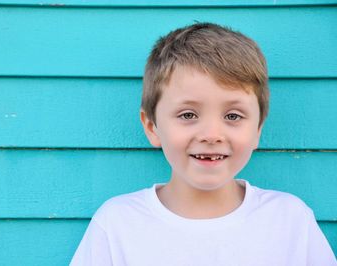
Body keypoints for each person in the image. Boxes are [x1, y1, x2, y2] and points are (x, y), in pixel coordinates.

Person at [70, 22, 337, 265]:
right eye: (188, 115)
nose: (211, 134)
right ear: (152, 127)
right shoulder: (117, 224)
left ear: (257, 129)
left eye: (233, 116)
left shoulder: (290, 221)